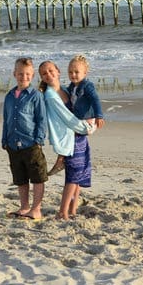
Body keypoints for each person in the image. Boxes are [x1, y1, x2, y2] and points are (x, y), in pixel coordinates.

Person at [37, 60, 97, 220]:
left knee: (79, 175)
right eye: (44, 73)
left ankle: (73, 210)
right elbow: (68, 119)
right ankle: (62, 212)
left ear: (58, 71)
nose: (48, 74)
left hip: (78, 136)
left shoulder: (65, 89)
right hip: (70, 138)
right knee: (72, 176)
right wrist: (87, 128)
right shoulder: (50, 95)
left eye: (51, 70)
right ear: (42, 77)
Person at [2, 57, 48, 220]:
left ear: (33, 75)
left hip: (31, 143)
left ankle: (36, 209)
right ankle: (24, 207)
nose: (24, 77)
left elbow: (41, 119)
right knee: (20, 179)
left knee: (37, 176)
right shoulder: (9, 96)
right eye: (20, 73)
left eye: (28, 74)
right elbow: (6, 119)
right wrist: (4, 140)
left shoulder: (35, 96)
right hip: (13, 144)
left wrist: (39, 139)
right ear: (15, 74)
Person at [48, 54, 106, 175]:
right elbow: (64, 91)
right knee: (66, 131)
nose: (73, 75)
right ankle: (61, 158)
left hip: (88, 122)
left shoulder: (87, 86)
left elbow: (95, 99)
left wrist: (99, 116)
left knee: (68, 131)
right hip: (80, 121)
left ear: (85, 73)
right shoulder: (72, 86)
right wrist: (53, 87)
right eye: (70, 72)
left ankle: (60, 161)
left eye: (76, 72)